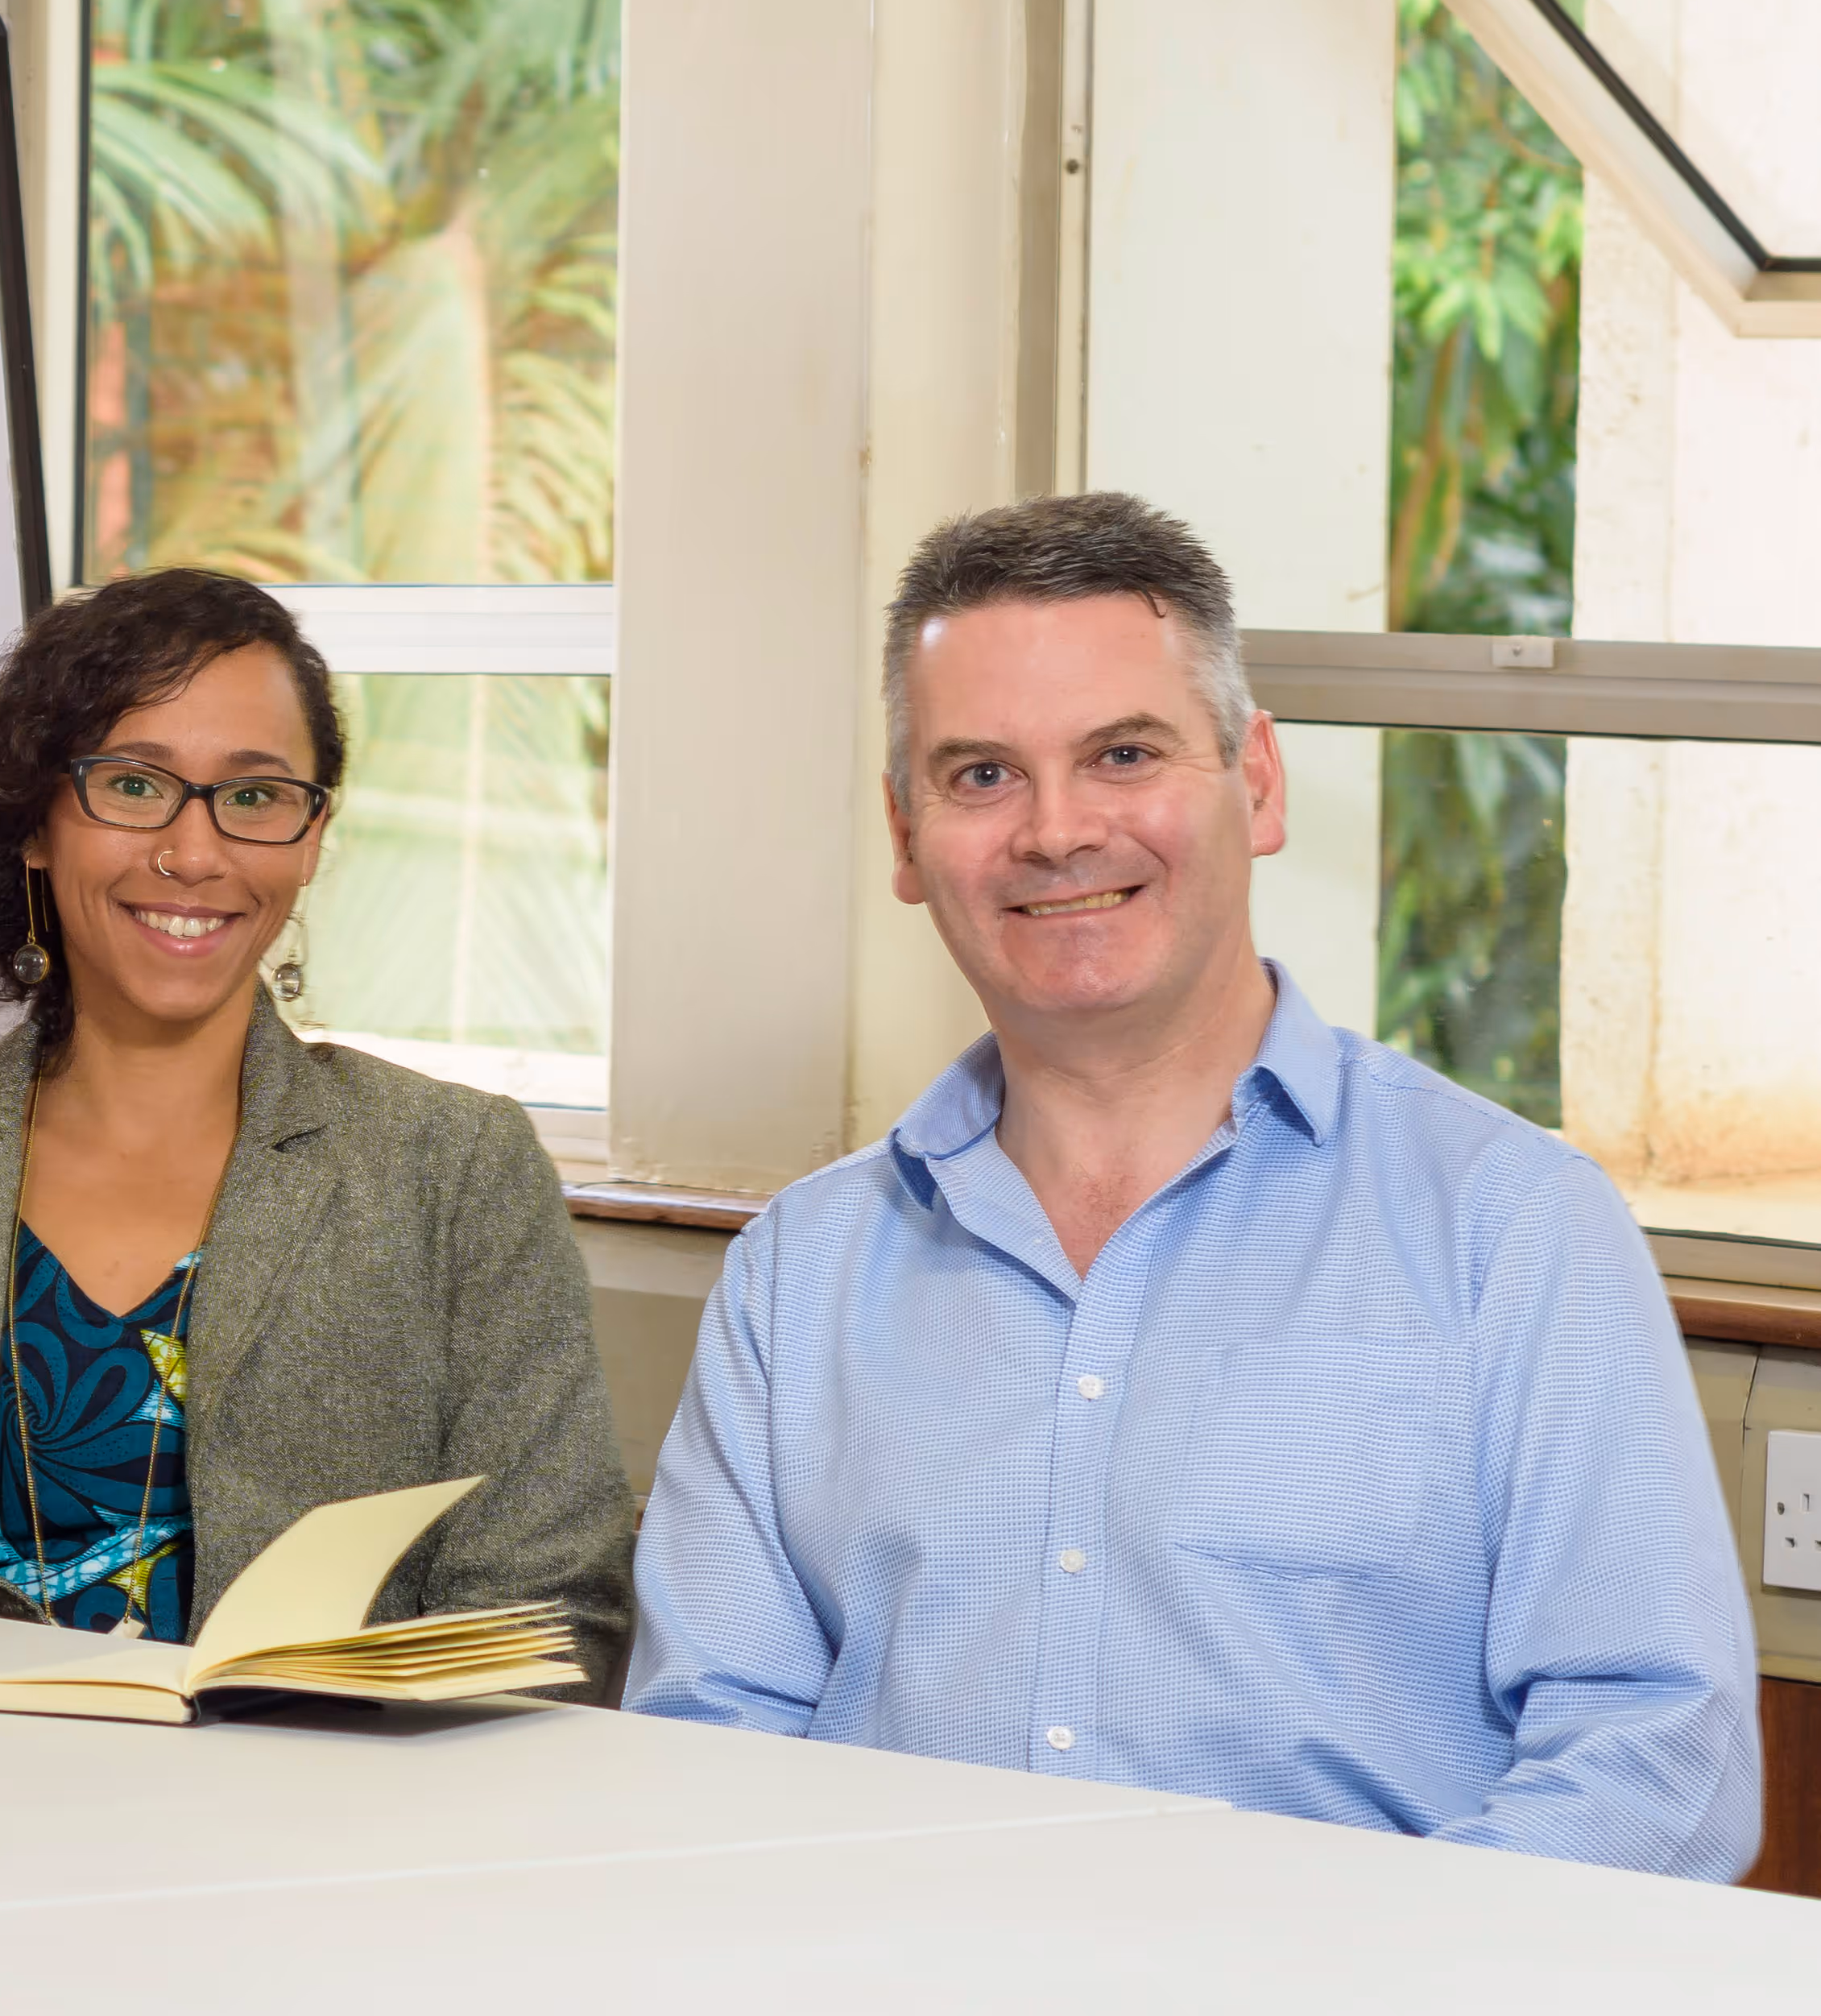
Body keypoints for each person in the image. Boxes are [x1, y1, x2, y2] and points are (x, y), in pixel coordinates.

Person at [629, 492, 1758, 1878]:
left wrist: (1329, 2010)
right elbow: (706, 1743)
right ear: (907, 836)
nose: (1056, 830)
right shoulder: (799, 1274)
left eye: (1122, 753)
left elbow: (1655, 1761)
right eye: (981, 774)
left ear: (1260, 781)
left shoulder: (1511, 1230)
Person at [0, 571, 637, 1674]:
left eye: (256, 794)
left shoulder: (454, 1167)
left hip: (313, 1824)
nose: (195, 852)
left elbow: (551, 1614)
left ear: (312, 837)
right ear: (34, 821)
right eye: (134, 786)